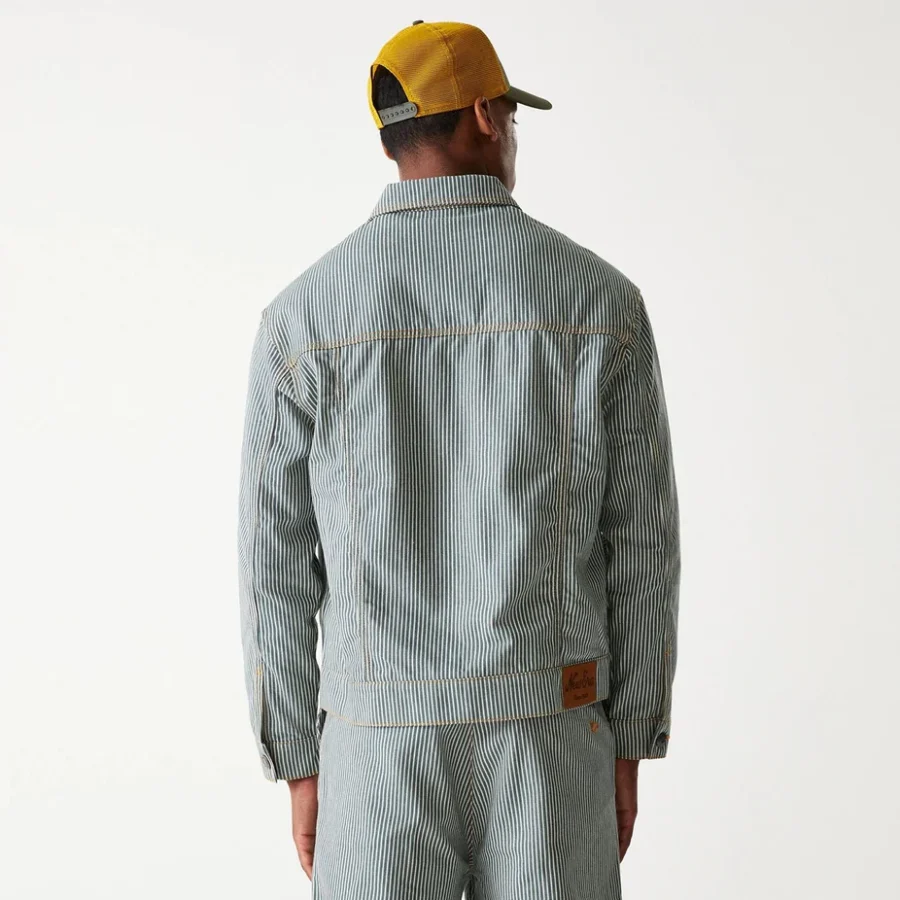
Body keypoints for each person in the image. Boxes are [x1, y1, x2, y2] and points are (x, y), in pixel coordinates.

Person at [236, 19, 681, 900]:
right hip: (553, 733)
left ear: (390, 139)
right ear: (485, 115)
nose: (512, 134)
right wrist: (631, 737)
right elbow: (642, 544)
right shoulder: (601, 304)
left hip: (376, 747)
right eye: (511, 115)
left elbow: (272, 566)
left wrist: (298, 759)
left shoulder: (302, 319)